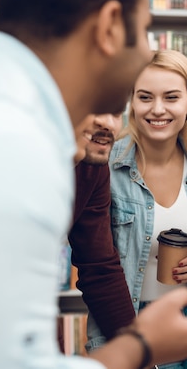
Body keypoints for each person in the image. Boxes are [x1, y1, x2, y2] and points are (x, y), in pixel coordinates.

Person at [0, 0, 187, 368]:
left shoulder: (14, 115)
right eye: (147, 30)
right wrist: (142, 347)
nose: (148, 51)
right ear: (111, 25)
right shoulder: (11, 142)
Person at [94, 49, 187, 368]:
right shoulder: (106, 165)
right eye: (145, 97)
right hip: (130, 326)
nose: (157, 109)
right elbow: (93, 263)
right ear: (131, 102)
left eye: (171, 97)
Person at [69, 112, 137, 344]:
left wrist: (139, 353)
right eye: (96, 108)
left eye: (117, 112)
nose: (108, 123)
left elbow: (99, 268)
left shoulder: (94, 167)